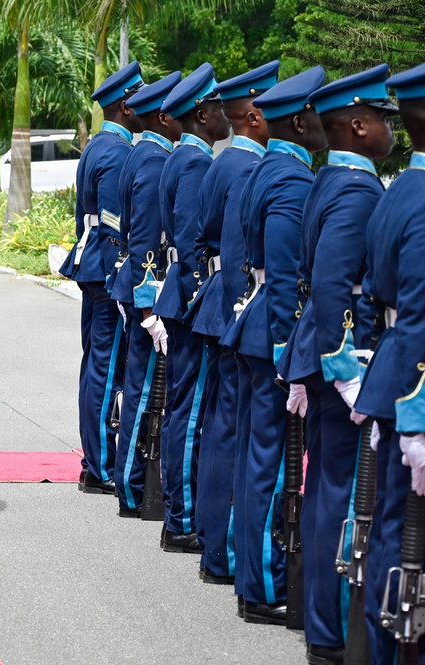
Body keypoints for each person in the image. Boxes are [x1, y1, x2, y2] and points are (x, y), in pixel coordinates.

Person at [277, 64, 395, 662]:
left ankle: (320, 623)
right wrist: (348, 370)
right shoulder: (356, 190)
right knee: (344, 494)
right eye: (383, 119)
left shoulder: (330, 179)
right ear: (359, 126)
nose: (392, 129)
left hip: (321, 353)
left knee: (325, 485)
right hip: (345, 360)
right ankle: (331, 631)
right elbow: (332, 285)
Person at [224, 65, 328, 627]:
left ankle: (252, 576)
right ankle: (263, 584)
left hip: (257, 327)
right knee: (268, 461)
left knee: (255, 456)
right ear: (301, 122)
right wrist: (292, 354)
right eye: (317, 113)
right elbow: (287, 277)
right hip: (273, 336)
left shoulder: (270, 168)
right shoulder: (291, 180)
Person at [188, 60, 277, 589]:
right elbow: (243, 253)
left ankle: (213, 539)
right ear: (255, 115)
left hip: (221, 303)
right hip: (237, 306)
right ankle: (220, 548)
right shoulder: (246, 167)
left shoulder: (224, 162)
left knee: (222, 427)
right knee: (229, 431)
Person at [352, 61, 425, 665]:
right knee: (405, 541)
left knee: (393, 533)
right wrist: (418, 414)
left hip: (395, 371)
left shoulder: (399, 190)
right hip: (415, 382)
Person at [153, 63, 230, 553]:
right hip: (191, 300)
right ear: (202, 115)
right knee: (190, 407)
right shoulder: (196, 163)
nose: (226, 115)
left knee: (184, 405)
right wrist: (204, 297)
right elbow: (190, 239)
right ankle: (180, 518)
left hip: (181, 295)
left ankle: (181, 512)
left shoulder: (182, 157)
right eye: (219, 108)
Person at [58, 61, 144, 497]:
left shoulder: (101, 145)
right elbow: (114, 224)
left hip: (93, 264)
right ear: (126, 106)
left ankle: (95, 460)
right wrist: (120, 276)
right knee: (106, 369)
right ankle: (101, 464)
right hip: (107, 270)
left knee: (98, 364)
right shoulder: (116, 152)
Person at [110, 70, 182, 517]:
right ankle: (134, 488)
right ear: (162, 117)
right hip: (145, 289)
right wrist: (149, 306)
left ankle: (130, 483)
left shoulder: (144, 152)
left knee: (139, 385)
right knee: (142, 393)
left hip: (135, 285)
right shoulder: (155, 160)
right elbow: (147, 243)